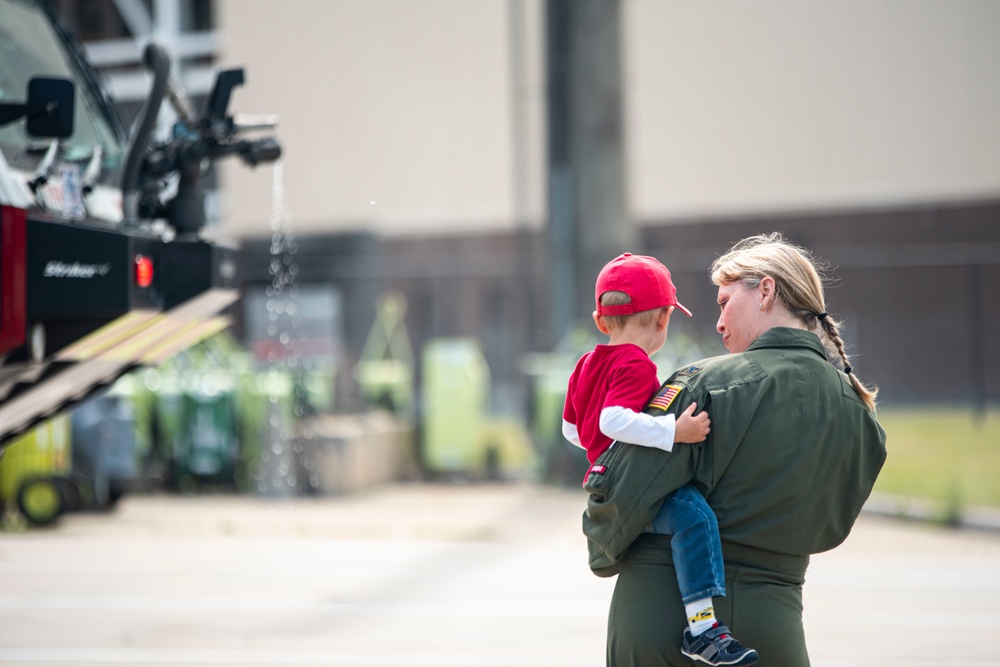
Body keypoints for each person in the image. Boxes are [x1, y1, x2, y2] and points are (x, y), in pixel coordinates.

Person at [582, 233, 887, 666]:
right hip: (775, 619)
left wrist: (601, 546)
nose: (719, 323)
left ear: (765, 291)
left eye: (724, 303)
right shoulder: (859, 412)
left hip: (662, 618)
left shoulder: (704, 382)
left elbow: (622, 492)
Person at [563, 252, 758, 666]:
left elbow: (573, 429)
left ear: (601, 322)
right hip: (633, 486)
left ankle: (703, 627)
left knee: (686, 519)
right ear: (662, 320)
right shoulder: (635, 362)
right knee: (695, 517)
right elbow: (613, 419)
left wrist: (604, 453)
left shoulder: (585, 363)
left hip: (605, 484)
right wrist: (675, 431)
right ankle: (703, 630)